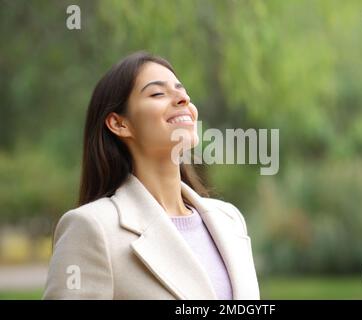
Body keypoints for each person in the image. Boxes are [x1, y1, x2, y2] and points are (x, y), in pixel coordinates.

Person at [43, 51, 260, 300]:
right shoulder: (92, 228)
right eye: (158, 93)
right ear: (119, 124)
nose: (183, 98)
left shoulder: (229, 219)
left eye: (182, 90)